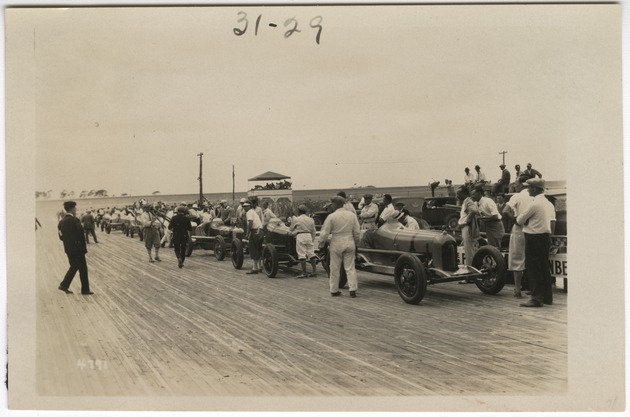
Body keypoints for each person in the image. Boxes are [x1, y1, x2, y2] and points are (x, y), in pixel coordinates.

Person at [515, 178, 556, 307]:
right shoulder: (548, 203)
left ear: (534, 189)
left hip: (533, 237)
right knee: (544, 268)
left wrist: (524, 220)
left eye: (529, 187)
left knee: (533, 268)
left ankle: (536, 298)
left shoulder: (534, 204)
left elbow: (520, 220)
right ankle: (547, 297)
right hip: (544, 237)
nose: (527, 190)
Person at [319, 196, 361, 298]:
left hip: (336, 241)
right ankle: (352, 289)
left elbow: (324, 233)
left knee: (334, 267)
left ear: (335, 204)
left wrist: (321, 244)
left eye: (332, 204)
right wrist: (356, 243)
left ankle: (334, 290)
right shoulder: (351, 215)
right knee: (350, 267)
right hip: (349, 241)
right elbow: (357, 232)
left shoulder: (332, 216)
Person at [501, 184, 533, 298]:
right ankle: (533, 288)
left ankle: (517, 289)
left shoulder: (517, 196)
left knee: (517, 258)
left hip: (519, 228)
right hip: (533, 228)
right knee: (532, 258)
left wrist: (514, 219)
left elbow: (505, 211)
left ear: (521, 185)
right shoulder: (535, 196)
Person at [57, 201, 93, 295]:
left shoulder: (61, 222)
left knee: (74, 266)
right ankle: (85, 290)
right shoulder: (75, 220)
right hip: (78, 249)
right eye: (75, 208)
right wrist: (82, 247)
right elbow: (81, 234)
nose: (76, 210)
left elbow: (61, 236)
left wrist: (68, 242)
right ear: (72, 209)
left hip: (68, 248)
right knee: (83, 269)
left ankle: (64, 285)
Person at [290, 204, 318, 278]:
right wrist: (312, 239)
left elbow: (291, 229)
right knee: (311, 253)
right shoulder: (310, 219)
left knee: (301, 254)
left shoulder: (297, 219)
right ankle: (314, 271)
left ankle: (304, 272)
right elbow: (314, 231)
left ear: (298, 211)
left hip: (300, 235)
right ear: (305, 211)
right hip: (308, 235)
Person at [456, 186, 479, 267]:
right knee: (468, 248)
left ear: (465, 194)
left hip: (467, 228)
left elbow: (473, 210)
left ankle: (471, 268)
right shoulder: (465, 201)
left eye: (459, 194)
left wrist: (466, 221)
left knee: (469, 250)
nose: (457, 195)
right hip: (465, 227)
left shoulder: (467, 201)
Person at [244, 201, 264, 275]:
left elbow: (250, 223)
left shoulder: (249, 212)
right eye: (244, 206)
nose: (244, 208)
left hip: (255, 231)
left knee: (253, 249)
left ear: (249, 206)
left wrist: (247, 233)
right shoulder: (253, 212)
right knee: (258, 249)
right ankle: (259, 267)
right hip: (260, 231)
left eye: (246, 206)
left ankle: (255, 268)